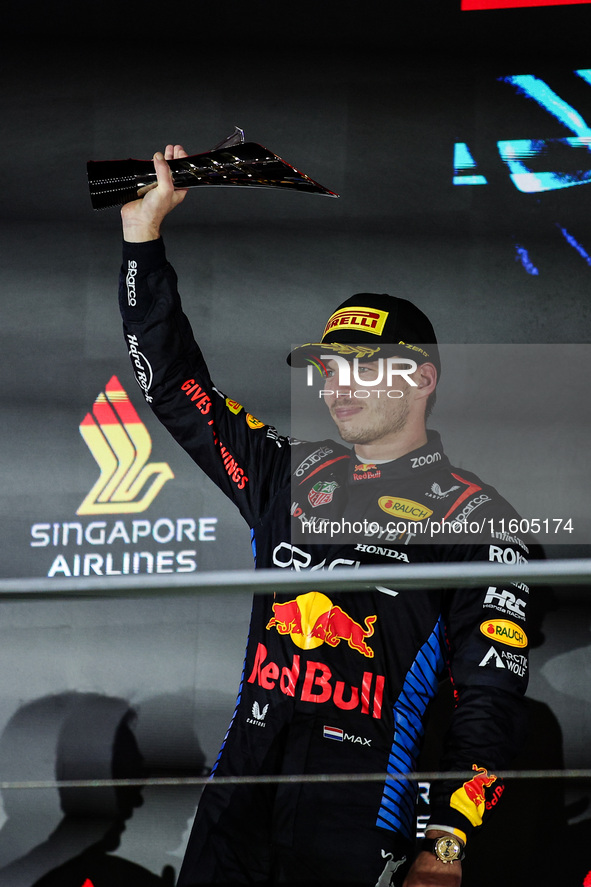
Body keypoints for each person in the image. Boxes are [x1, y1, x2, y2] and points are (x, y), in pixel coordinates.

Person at [117, 145, 539, 887]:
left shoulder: (478, 517)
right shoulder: (288, 469)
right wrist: (142, 242)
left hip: (360, 813)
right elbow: (175, 385)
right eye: (327, 369)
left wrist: (447, 840)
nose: (337, 387)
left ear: (420, 378)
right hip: (239, 796)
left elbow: (491, 703)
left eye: (363, 367)